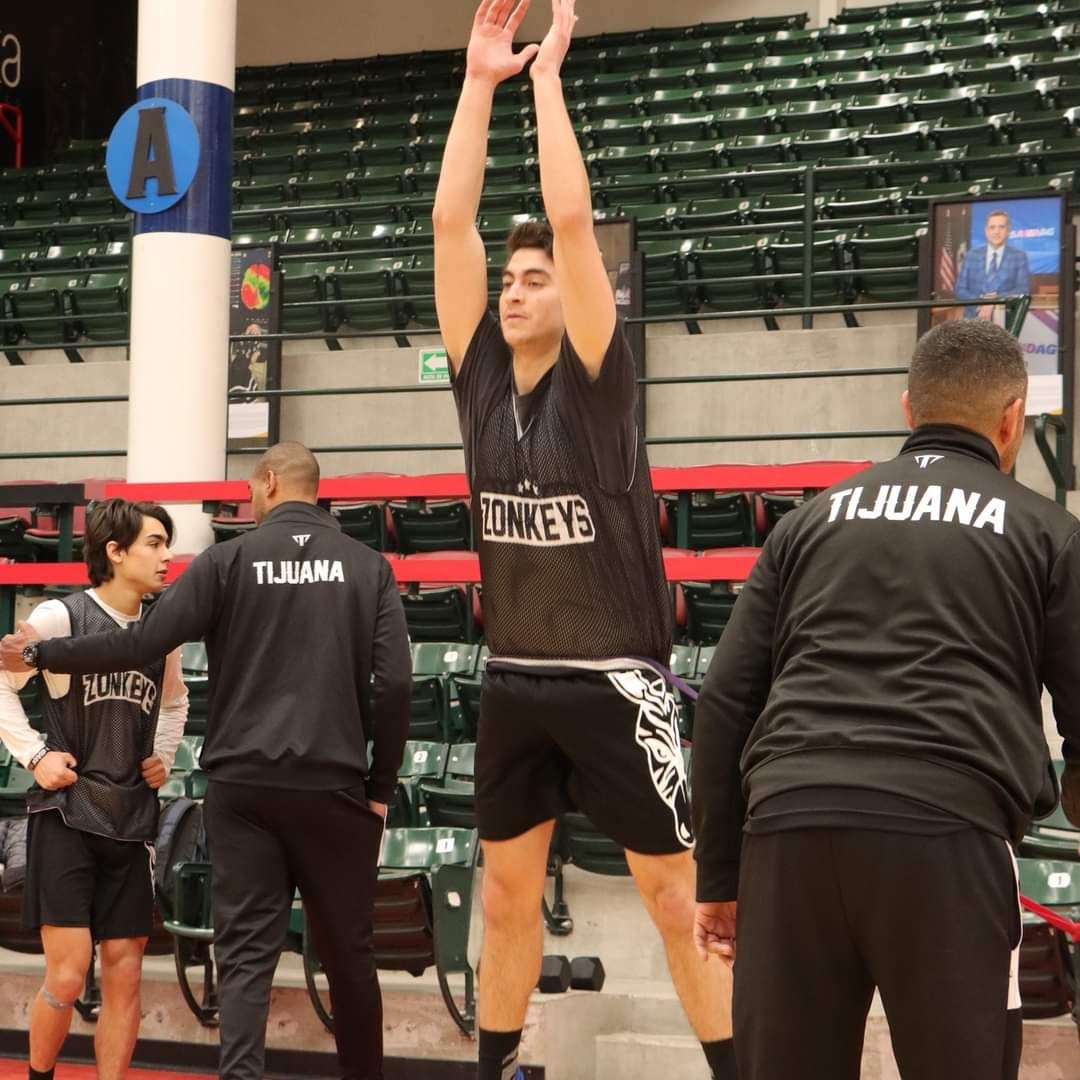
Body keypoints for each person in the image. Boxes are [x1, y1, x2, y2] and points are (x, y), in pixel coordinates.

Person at [431, 2, 735, 1078]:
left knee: (674, 899)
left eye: (534, 278)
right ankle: (501, 1067)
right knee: (509, 898)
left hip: (615, 678)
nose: (513, 289)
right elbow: (450, 227)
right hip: (516, 675)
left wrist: (545, 80)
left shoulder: (599, 386)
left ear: (581, 291)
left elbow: (570, 221)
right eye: (506, 283)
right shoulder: (477, 383)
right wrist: (477, 86)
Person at [691, 319, 1080, 1080]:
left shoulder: (807, 524)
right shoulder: (1049, 531)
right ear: (1012, 420)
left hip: (788, 833)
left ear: (909, 410)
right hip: (947, 839)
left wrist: (720, 878)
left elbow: (724, 704)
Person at [0, 443, 412, 1080]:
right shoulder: (368, 567)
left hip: (242, 787)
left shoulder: (228, 560)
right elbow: (395, 685)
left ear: (270, 481)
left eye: (251, 488)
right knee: (350, 958)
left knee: (245, 956)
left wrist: (41, 657)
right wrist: (380, 784)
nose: (247, 499)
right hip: (332, 785)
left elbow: (144, 643)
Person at [0, 498, 188, 1080]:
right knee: (67, 971)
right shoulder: (62, 617)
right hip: (66, 813)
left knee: (127, 969)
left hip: (131, 819)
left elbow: (176, 702)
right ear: (115, 551)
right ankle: (39, 1075)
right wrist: (34, 754)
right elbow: (3, 684)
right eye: (154, 543)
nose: (166, 556)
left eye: (166, 543)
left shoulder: (163, 632)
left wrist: (162, 753)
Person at [953, 208, 1031, 320]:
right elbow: (959, 290)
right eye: (992, 227)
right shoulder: (971, 256)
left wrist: (996, 300)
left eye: (1001, 227)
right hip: (972, 321)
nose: (996, 231)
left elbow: (1023, 290)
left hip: (1005, 319)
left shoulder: (1019, 256)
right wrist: (980, 302)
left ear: (1008, 231)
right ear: (986, 231)